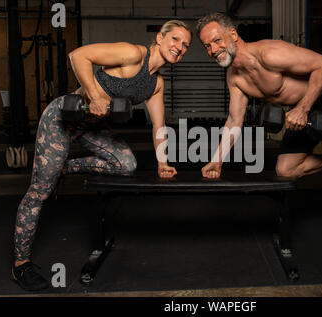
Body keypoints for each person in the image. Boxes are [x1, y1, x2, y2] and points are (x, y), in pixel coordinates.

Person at [196, 13, 322, 274]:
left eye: (216, 41)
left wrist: (302, 108)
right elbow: (234, 120)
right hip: (304, 113)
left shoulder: (270, 53)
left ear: (233, 34)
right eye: (207, 46)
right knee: (285, 171)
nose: (213, 50)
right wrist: (217, 159)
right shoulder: (235, 77)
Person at [11, 20, 192, 291]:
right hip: (62, 118)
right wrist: (95, 95)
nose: (180, 47)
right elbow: (78, 55)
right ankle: (20, 264)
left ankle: (62, 168)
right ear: (160, 38)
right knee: (40, 191)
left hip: (93, 128)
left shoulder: (156, 84)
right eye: (176, 40)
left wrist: (163, 163)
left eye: (186, 45)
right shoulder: (132, 54)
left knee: (126, 164)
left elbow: (159, 126)